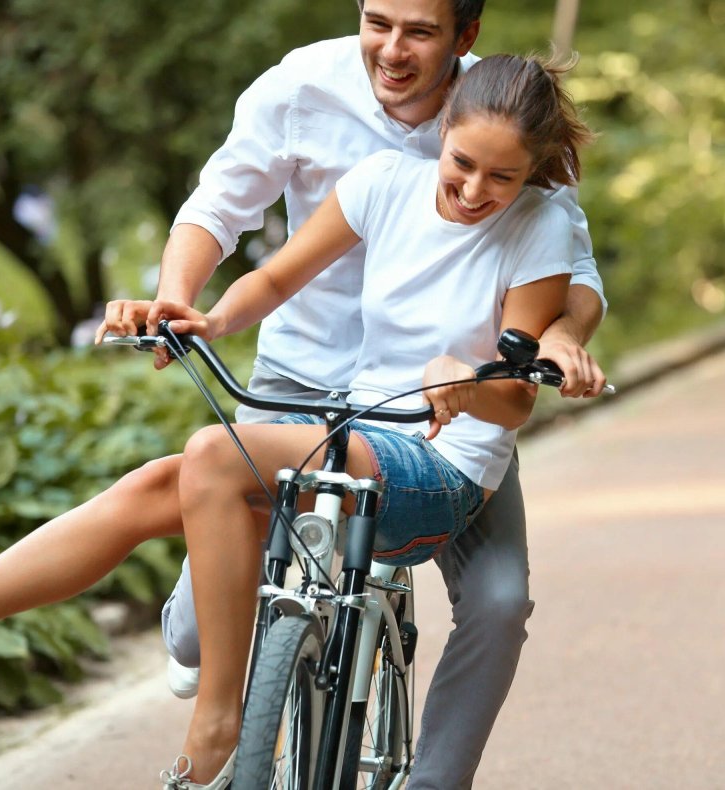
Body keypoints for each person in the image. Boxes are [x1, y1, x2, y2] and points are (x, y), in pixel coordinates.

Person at [144, 1, 606, 787]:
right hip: (303, 380)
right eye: (378, 21)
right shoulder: (308, 91)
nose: (393, 49)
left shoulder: (505, 119)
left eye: (420, 31)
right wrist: (185, 305)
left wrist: (557, 338)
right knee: (197, 623)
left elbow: (572, 273)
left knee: (499, 602)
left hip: (445, 411)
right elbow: (226, 215)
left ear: (464, 38)